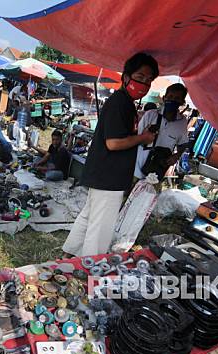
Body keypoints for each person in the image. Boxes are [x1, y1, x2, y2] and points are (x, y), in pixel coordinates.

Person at [62, 52, 159, 258]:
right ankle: (91, 267)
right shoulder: (120, 103)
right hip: (110, 175)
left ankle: (70, 255)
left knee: (89, 217)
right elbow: (113, 143)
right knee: (101, 227)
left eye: (149, 80)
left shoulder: (124, 103)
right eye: (140, 77)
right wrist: (142, 138)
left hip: (103, 172)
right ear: (126, 77)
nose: (144, 84)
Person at [134, 83, 190, 180]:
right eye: (170, 96)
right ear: (164, 98)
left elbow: (183, 144)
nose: (173, 100)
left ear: (182, 102)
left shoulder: (182, 122)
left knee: (148, 195)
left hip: (156, 173)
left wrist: (176, 156)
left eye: (177, 98)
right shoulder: (150, 115)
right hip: (136, 168)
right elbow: (136, 138)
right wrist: (144, 138)